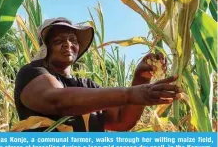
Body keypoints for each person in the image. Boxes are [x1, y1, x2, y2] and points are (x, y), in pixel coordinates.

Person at [14, 17, 182, 132]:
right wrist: (131, 94)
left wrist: (140, 79)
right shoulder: (32, 73)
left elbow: (121, 120)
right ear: (46, 48)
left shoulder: (87, 86)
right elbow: (58, 101)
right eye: (58, 41)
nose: (68, 44)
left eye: (73, 40)